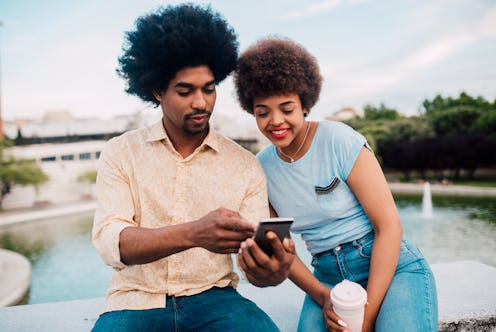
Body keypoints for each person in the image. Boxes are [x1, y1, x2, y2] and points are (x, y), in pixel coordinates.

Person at [91, 5, 294, 332]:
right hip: (135, 301)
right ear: (158, 91)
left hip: (216, 299)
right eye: (185, 91)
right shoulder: (121, 152)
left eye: (209, 88)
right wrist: (194, 233)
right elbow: (112, 244)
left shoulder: (243, 165)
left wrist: (273, 269)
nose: (201, 102)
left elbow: (257, 273)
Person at [235, 37, 438, 332]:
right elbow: (281, 249)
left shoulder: (340, 140)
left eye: (286, 108)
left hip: (392, 267)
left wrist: (365, 316)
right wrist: (323, 295)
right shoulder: (261, 169)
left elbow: (389, 227)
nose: (275, 121)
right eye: (262, 111)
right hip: (328, 278)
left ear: (305, 104)